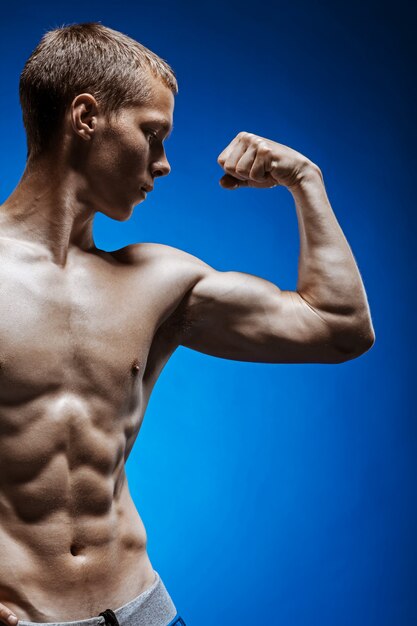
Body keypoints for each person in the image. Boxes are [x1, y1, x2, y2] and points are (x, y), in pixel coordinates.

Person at [0, 21, 375, 626]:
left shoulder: (159, 282)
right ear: (86, 116)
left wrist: (306, 181)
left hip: (145, 610)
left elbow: (340, 327)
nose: (165, 163)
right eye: (153, 134)